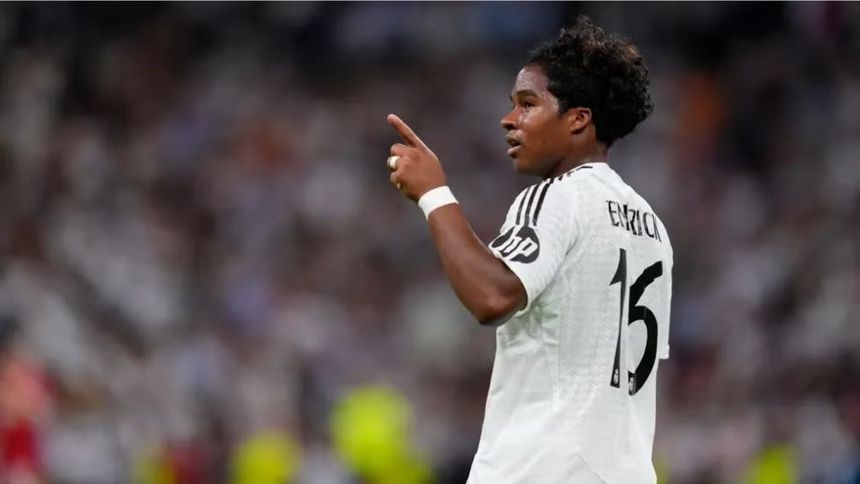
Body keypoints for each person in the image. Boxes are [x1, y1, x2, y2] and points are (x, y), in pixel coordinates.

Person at [385, 15, 672, 484]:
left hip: (541, 469)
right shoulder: (651, 227)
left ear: (578, 120)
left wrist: (433, 194)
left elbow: (492, 296)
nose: (509, 119)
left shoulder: (558, 196)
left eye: (528, 104)